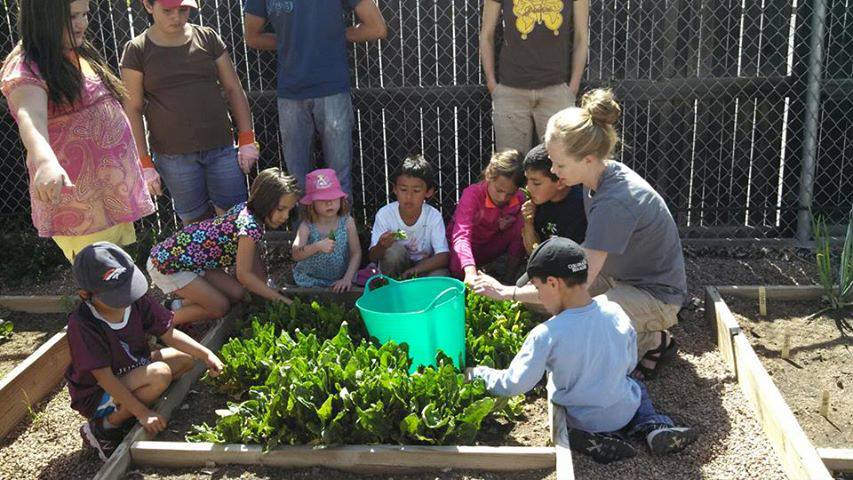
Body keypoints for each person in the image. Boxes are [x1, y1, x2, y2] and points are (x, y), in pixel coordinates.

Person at [474, 89, 687, 380]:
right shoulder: (595, 178)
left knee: (579, 326)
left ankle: (649, 340)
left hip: (654, 294)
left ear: (587, 158)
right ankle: (643, 340)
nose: (553, 170)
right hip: (617, 276)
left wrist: (505, 292)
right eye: (551, 160)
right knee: (546, 304)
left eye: (559, 165)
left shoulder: (614, 200)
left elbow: (577, 283)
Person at [467, 237, 696, 464]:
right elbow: (628, 362)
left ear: (553, 283)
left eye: (537, 288)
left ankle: (599, 438)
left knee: (573, 401)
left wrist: (477, 374)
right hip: (623, 407)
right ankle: (652, 425)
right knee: (636, 388)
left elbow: (514, 384)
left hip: (582, 418)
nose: (539, 297)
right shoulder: (615, 310)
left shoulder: (547, 334)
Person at [0, 0, 155, 262]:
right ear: (43, 16)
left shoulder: (74, 52)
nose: (82, 23)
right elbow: (30, 118)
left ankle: (128, 304)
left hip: (109, 193)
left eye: (84, 14)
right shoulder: (26, 68)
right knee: (101, 277)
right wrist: (46, 161)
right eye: (72, 16)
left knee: (115, 271)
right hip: (81, 204)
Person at [66, 242, 224, 461]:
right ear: (85, 294)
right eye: (115, 296)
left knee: (185, 360)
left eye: (125, 291)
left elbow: (169, 334)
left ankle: (133, 403)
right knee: (159, 374)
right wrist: (142, 412)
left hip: (132, 367)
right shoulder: (83, 324)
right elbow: (103, 376)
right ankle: (105, 427)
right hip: (97, 392)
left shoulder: (137, 300)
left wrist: (206, 354)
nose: (124, 300)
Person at [121, 0, 258, 225]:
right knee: (195, 227)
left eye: (183, 10)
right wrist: (144, 163)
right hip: (173, 157)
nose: (176, 17)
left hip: (221, 148)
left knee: (238, 222)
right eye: (167, 11)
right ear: (148, 5)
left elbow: (233, 88)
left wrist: (246, 138)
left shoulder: (207, 37)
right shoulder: (137, 49)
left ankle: (242, 263)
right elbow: (132, 109)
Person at [243, 0, 386, 193]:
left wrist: (335, 36)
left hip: (332, 88)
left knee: (338, 179)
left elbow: (376, 28)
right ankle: (303, 224)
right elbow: (252, 37)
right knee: (296, 181)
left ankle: (343, 224)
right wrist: (292, 41)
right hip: (291, 93)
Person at [147, 167, 298, 325]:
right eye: (281, 209)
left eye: (289, 210)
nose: (286, 216)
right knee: (220, 307)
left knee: (237, 293)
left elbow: (252, 268)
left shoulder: (247, 210)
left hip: (193, 262)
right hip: (168, 264)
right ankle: (157, 325)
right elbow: (244, 276)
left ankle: (173, 306)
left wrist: (265, 288)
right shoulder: (249, 227)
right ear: (265, 201)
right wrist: (280, 299)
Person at [480, 0, 589, 157]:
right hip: (511, 91)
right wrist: (492, 83)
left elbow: (581, 37)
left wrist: (572, 87)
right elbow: (486, 35)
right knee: (510, 168)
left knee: (558, 166)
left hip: (556, 91)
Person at [447, 149, 525, 285]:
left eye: (509, 194)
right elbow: (461, 236)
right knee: (456, 269)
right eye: (499, 190)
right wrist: (470, 271)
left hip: (490, 246)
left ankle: (509, 280)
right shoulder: (472, 195)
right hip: (465, 249)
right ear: (489, 176)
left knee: (524, 222)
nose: (503, 198)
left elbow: (518, 233)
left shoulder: (520, 198)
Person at [368, 154, 450, 279]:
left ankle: (421, 297)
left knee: (441, 274)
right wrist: (381, 245)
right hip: (396, 270)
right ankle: (392, 293)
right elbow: (372, 256)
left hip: (423, 269)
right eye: (403, 189)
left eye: (416, 191)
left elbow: (443, 256)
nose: (409, 197)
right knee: (393, 253)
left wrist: (414, 271)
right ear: (395, 189)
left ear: (428, 192)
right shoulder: (385, 214)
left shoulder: (433, 216)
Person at [291, 169, 362, 291]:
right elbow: (295, 254)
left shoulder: (347, 222)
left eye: (333, 197)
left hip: (340, 280)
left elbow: (356, 253)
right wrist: (317, 246)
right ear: (311, 203)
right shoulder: (307, 226)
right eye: (323, 199)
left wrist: (347, 279)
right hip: (310, 279)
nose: (329, 203)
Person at [521, 143, 586, 254]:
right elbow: (532, 253)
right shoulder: (538, 202)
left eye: (536, 183)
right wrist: (528, 223)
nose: (528, 187)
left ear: (560, 182)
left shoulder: (578, 209)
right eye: (527, 180)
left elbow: (573, 259)